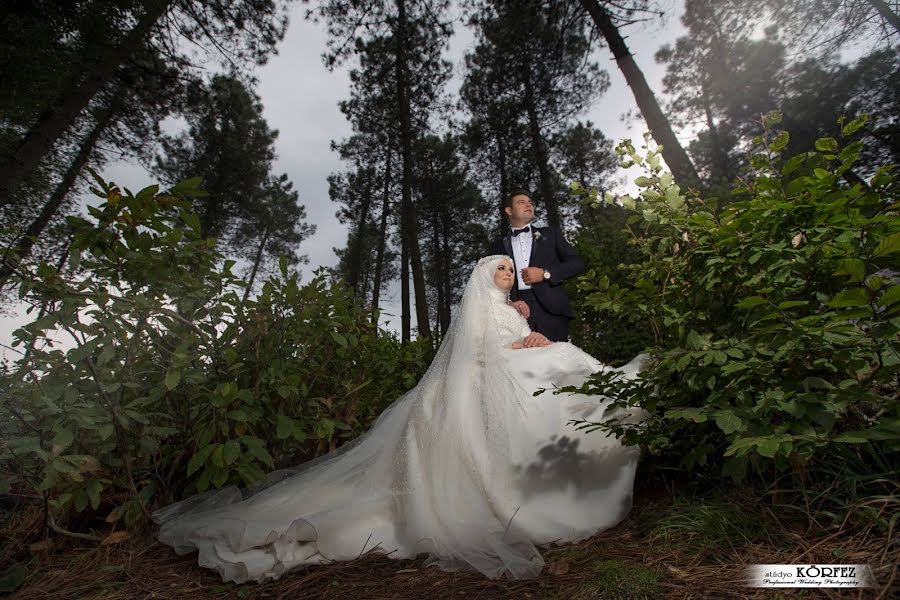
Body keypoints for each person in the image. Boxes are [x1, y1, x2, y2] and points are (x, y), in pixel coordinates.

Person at [153, 255, 649, 584]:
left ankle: (599, 422)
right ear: (482, 277)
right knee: (551, 360)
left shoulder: (510, 307)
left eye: (508, 270)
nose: (506, 274)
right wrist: (521, 339)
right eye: (498, 269)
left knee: (558, 358)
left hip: (512, 357)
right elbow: (476, 349)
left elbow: (512, 338)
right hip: (486, 370)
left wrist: (526, 331)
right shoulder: (483, 309)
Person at [489, 190, 585, 342]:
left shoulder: (551, 234)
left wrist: (546, 274)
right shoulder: (497, 245)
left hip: (551, 310)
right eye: (521, 202)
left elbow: (577, 263)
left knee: (556, 361)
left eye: (530, 202)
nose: (529, 204)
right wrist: (509, 303)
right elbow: (490, 280)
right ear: (509, 210)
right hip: (515, 311)